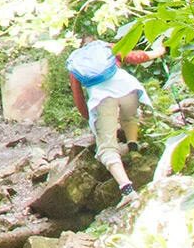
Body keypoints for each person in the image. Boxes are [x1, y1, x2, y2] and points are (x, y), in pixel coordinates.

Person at [65, 36, 163, 201]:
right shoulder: (106, 47)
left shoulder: (76, 61)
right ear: (95, 41)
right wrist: (159, 51)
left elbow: (78, 97)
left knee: (106, 148)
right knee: (130, 117)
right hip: (128, 87)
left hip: (102, 100)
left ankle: (127, 190)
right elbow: (135, 57)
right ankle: (133, 149)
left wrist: (91, 118)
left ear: (81, 47)